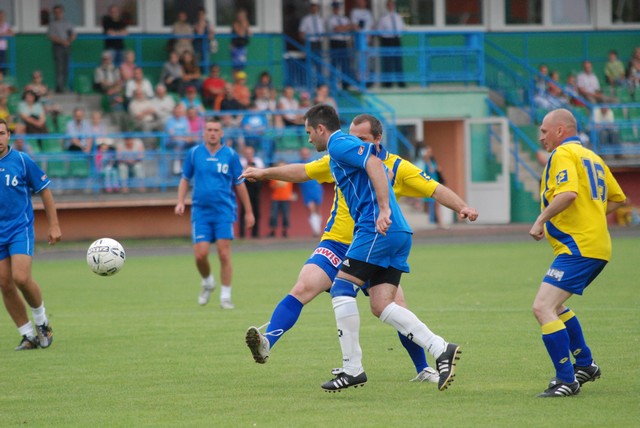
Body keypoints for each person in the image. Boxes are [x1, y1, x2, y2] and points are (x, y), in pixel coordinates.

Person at [241, 112, 478, 389]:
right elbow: (304, 171)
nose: (355, 142)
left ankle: (411, 366)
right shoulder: (342, 155)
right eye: (352, 137)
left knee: (385, 302)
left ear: (377, 139)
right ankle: (268, 341)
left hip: (374, 236)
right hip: (338, 242)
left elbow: (434, 189)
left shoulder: (392, 165)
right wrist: (264, 172)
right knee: (307, 287)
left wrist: (461, 206)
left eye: (362, 138)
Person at [529, 108, 626, 397]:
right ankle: (585, 364)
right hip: (595, 246)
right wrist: (592, 216)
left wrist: (540, 220)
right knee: (556, 306)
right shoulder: (592, 156)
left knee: (542, 307)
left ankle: (566, 380)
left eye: (544, 131)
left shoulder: (563, 153)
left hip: (579, 247)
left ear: (560, 130)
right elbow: (618, 198)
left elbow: (568, 193)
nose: (541, 137)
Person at [174, 117, 254, 310]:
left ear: (221, 133)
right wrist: (180, 201)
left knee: (224, 254)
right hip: (200, 211)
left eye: (216, 130)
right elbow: (185, 179)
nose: (212, 133)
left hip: (223, 211)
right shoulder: (194, 153)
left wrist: (249, 212)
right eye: (209, 129)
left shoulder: (230, 155)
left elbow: (240, 184)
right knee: (200, 255)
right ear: (204, 132)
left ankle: (226, 296)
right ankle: (208, 281)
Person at [0, 118, 61, 350]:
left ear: (8, 135)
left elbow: (45, 191)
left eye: (1, 133)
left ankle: (42, 322)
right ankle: (27, 335)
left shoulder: (22, 160)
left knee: (21, 278)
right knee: (4, 284)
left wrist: (54, 225)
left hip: (20, 228)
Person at [46, 4, 75, 93]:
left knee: (66, 67)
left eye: (59, 12)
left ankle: (64, 86)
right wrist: (63, 42)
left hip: (67, 47)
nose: (58, 14)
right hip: (58, 47)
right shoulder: (52, 24)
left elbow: (73, 34)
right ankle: (59, 87)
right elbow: (51, 36)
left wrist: (69, 41)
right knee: (59, 67)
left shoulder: (68, 23)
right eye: (56, 12)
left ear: (62, 12)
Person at [376, 0, 406, 88]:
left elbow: (402, 28)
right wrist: (387, 36)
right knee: (387, 62)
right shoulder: (383, 18)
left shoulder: (398, 16)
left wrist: (398, 34)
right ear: (387, 6)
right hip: (387, 40)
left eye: (392, 4)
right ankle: (388, 83)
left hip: (396, 40)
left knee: (398, 62)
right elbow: (379, 31)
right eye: (389, 4)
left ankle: (401, 83)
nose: (391, 6)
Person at [326, 1, 353, 89]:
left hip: (344, 42)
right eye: (335, 8)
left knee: (345, 63)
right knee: (334, 63)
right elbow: (337, 28)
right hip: (335, 42)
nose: (337, 10)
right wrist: (346, 27)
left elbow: (351, 27)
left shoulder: (344, 18)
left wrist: (345, 27)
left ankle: (346, 84)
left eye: (338, 8)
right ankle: (333, 83)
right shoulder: (330, 19)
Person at [239, 145, 264, 238]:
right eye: (247, 153)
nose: (248, 155)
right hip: (246, 188)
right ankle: (242, 233)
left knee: (256, 211)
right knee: (243, 211)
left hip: (256, 188)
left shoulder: (258, 161)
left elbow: (262, 172)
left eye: (250, 153)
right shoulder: (241, 161)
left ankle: (255, 233)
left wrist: (248, 168)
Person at [298, 147, 324, 236]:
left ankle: (318, 229)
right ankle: (315, 230)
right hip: (306, 190)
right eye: (303, 154)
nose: (305, 155)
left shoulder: (314, 162)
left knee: (318, 208)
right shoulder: (299, 164)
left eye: (306, 153)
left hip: (317, 188)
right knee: (311, 208)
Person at [299, 1, 325, 83]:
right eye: (312, 7)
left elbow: (322, 31)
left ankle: (319, 83)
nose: (314, 9)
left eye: (316, 7)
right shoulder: (306, 19)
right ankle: (309, 82)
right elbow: (301, 32)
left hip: (319, 43)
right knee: (309, 63)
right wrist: (306, 43)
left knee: (319, 63)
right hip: (310, 43)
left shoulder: (320, 19)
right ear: (310, 8)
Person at [350, 0, 375, 87]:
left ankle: (367, 81)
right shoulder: (354, 12)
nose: (361, 3)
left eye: (363, 1)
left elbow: (371, 26)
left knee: (368, 61)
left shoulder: (368, 13)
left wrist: (370, 37)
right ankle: (359, 81)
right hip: (358, 41)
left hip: (367, 41)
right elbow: (354, 25)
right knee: (358, 61)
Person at [268, 160, 293, 238]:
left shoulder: (289, 175)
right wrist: (277, 185)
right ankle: (273, 231)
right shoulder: (275, 176)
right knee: (274, 215)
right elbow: (271, 186)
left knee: (286, 215)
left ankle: (285, 231)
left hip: (286, 198)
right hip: (276, 198)